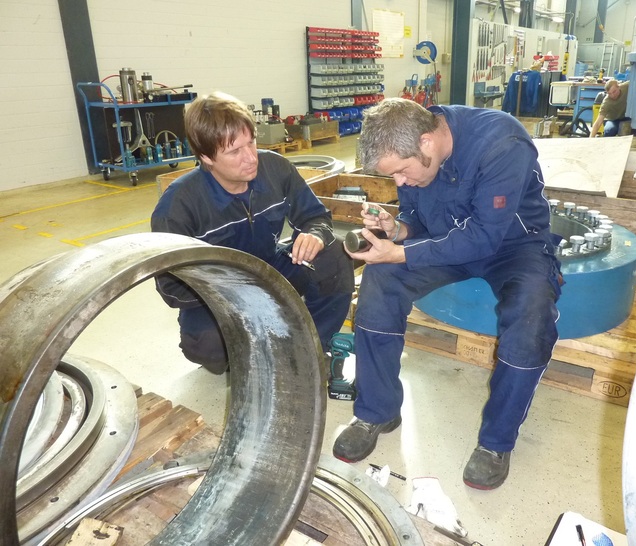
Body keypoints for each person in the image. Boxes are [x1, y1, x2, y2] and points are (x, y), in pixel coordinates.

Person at [333, 98, 562, 490]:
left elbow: (485, 236)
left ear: (426, 142)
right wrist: (395, 229)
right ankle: (377, 410)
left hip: (514, 247)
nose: (400, 183)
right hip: (449, 243)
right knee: (381, 279)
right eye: (394, 178)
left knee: (531, 310)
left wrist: (402, 251)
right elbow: (419, 223)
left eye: (402, 173)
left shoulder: (502, 143)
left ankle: (495, 443)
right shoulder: (414, 160)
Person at [151, 91, 354, 374]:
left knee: (334, 255)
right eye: (234, 151)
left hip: (272, 271)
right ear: (206, 157)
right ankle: (248, 352)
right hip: (220, 295)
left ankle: (312, 347)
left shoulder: (276, 168)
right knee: (208, 345)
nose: (250, 158)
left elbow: (315, 216)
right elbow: (172, 288)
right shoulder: (178, 207)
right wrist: (236, 293)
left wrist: (315, 234)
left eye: (252, 142)